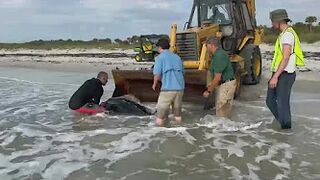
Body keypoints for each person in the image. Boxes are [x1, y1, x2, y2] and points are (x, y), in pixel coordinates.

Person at [266, 9, 305, 129]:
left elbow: (285, 57)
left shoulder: (287, 35)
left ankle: (286, 128)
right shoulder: (284, 34)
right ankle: (283, 123)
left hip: (284, 74)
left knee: (282, 104)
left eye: (273, 21)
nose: (272, 24)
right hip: (280, 73)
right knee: (270, 101)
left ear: (278, 21)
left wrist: (275, 77)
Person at [152, 38, 185, 126]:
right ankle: (180, 130)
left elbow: (157, 74)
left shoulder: (159, 58)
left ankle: (158, 133)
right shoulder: (177, 57)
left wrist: (154, 84)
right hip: (180, 88)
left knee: (160, 115)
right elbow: (183, 72)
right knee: (177, 115)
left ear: (159, 47)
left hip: (168, 89)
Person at [203, 36, 236, 117]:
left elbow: (217, 77)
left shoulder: (219, 56)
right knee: (223, 113)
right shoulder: (217, 55)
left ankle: (225, 129)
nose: (206, 47)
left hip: (226, 85)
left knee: (222, 114)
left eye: (206, 45)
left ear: (212, 45)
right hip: (225, 84)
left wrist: (209, 91)